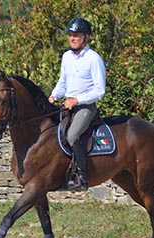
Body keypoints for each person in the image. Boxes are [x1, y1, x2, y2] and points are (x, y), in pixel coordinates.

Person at [48, 17, 106, 191]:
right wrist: (53, 95)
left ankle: (81, 177)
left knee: (72, 135)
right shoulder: (66, 57)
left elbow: (100, 90)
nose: (72, 38)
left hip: (85, 108)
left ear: (86, 37)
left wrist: (77, 100)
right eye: (70, 35)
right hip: (67, 105)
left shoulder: (94, 59)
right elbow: (62, 82)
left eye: (77, 35)